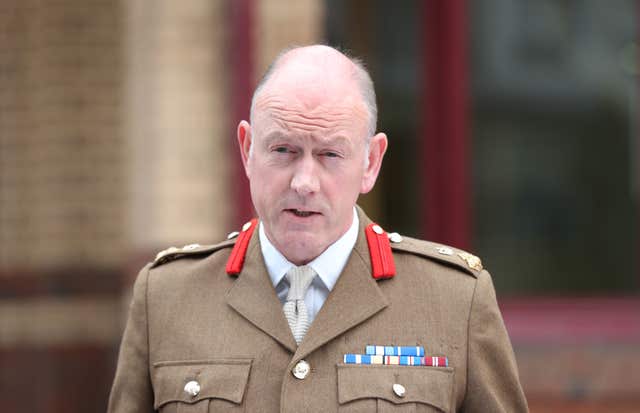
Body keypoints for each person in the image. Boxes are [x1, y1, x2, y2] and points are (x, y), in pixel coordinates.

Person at [108, 45, 528, 412]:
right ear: (247, 149)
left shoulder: (455, 302)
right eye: (284, 150)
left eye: (329, 153)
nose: (303, 182)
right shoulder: (166, 299)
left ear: (370, 162)